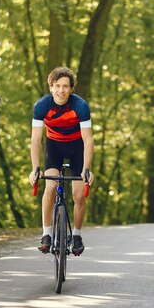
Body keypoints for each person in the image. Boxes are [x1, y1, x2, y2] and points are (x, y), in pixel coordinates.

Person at [29, 67, 94, 256]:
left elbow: (88, 140)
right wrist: (35, 169)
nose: (61, 90)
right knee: (50, 187)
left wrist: (86, 169)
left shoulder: (80, 106)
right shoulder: (42, 106)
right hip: (54, 147)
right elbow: (35, 140)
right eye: (57, 86)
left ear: (71, 89)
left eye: (65, 86)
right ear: (51, 87)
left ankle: (77, 235)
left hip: (77, 147)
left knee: (79, 195)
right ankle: (46, 234)